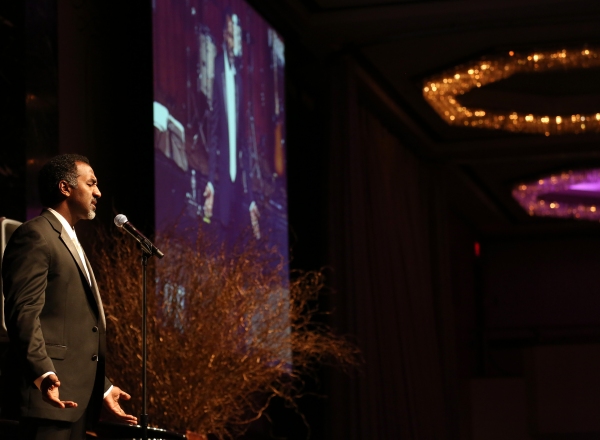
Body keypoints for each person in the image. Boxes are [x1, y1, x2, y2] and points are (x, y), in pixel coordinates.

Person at [1, 154, 137, 440]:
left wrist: (104, 387)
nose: (98, 192)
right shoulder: (36, 235)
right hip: (47, 398)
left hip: (75, 401)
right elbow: (23, 313)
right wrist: (43, 374)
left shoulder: (71, 240)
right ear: (65, 188)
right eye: (91, 184)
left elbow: (76, 327)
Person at [203, 10, 261, 242]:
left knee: (239, 238)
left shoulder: (240, 75)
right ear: (226, 36)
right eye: (232, 34)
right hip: (223, 168)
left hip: (240, 172)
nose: (236, 40)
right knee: (222, 233)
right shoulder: (217, 67)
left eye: (238, 34)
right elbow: (215, 128)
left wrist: (252, 195)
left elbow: (244, 136)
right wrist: (210, 178)